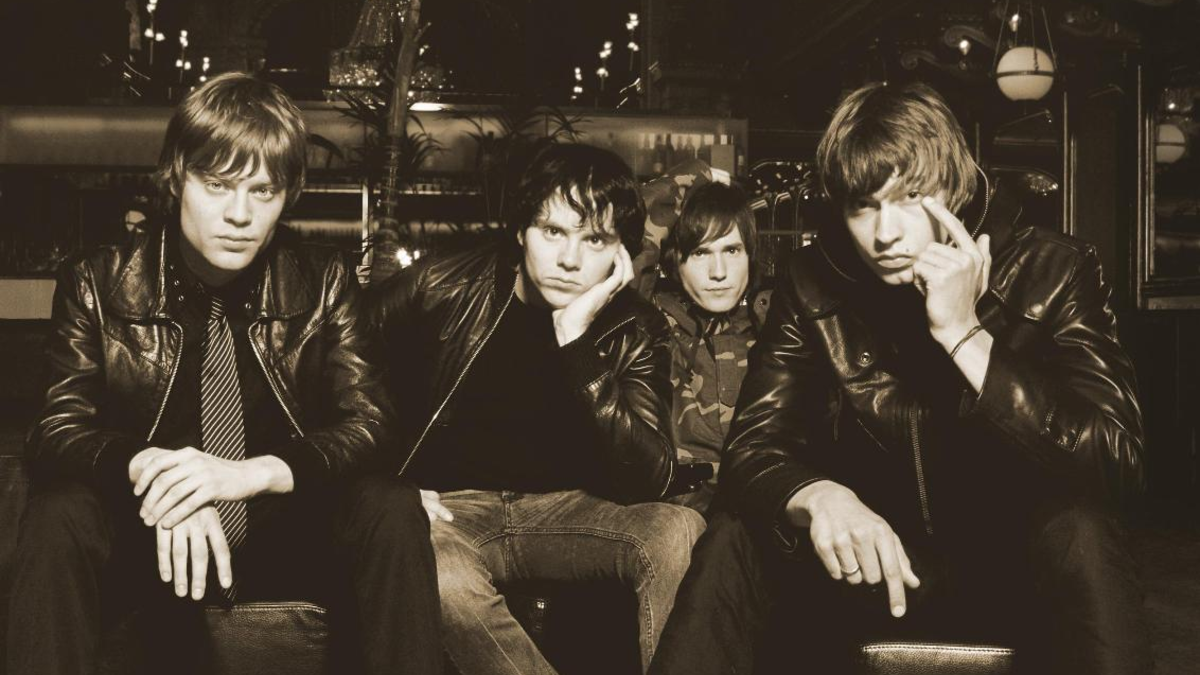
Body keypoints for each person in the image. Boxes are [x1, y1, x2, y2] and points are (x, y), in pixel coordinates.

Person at [648, 81, 1151, 675]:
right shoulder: (812, 279)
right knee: (737, 530)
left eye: (910, 197)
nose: (884, 234)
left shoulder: (1054, 268)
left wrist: (965, 333)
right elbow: (754, 447)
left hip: (1012, 566)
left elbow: (1116, 460)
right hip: (866, 563)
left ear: (954, 189)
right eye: (863, 205)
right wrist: (819, 496)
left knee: (1082, 528)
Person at [7, 72, 441, 675]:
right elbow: (55, 429)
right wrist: (161, 477)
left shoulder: (324, 281)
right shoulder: (98, 281)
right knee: (59, 512)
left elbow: (373, 425)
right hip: (151, 538)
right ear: (176, 177)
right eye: (217, 185)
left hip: (281, 531)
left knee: (389, 505)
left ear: (287, 195)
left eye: (263, 191)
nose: (240, 214)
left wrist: (251, 475)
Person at [366, 142, 706, 675]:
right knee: (436, 567)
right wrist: (387, 489)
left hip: (569, 510)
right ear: (522, 231)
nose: (570, 259)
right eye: (553, 232)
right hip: (453, 509)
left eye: (594, 240)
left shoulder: (636, 326)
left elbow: (652, 476)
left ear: (620, 254)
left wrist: (577, 345)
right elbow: (339, 370)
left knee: (677, 529)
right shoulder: (444, 285)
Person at [649, 181, 770, 513]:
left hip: (763, 514)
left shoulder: (777, 328)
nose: (719, 273)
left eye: (732, 251)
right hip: (675, 518)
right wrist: (682, 181)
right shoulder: (650, 328)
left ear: (750, 255)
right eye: (700, 252)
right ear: (674, 259)